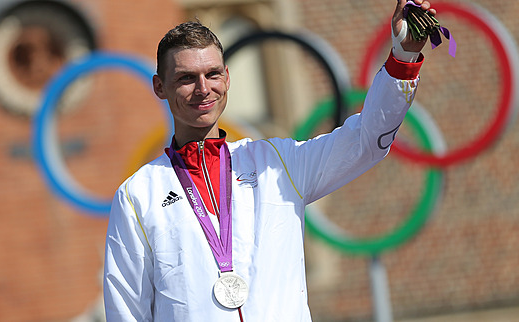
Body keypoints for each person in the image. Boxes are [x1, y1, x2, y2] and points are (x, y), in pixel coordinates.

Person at [103, 0, 436, 320]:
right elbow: (126, 312)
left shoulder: (278, 164)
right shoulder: (137, 196)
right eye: (187, 78)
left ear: (228, 77)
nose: (203, 89)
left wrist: (404, 55)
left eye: (212, 74)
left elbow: (366, 140)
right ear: (160, 87)